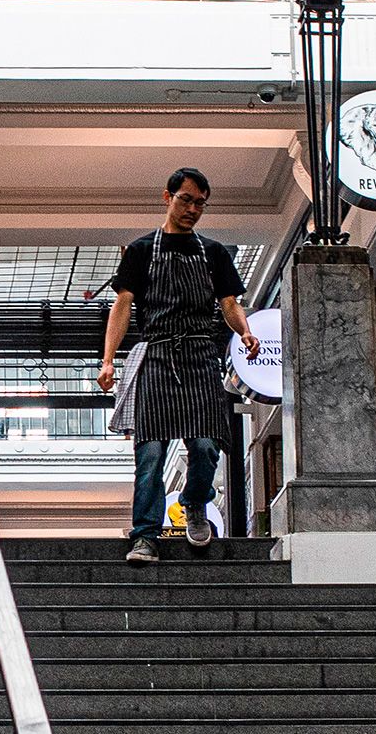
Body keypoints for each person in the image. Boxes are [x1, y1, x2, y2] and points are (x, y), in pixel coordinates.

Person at [98, 167, 259, 564]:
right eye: (186, 199)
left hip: (201, 356)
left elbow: (229, 304)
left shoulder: (215, 253)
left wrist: (245, 333)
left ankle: (195, 503)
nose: (192, 209)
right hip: (156, 354)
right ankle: (146, 536)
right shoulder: (140, 251)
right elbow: (122, 306)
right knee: (150, 453)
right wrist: (107, 361)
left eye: (200, 203)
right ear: (166, 197)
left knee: (206, 447)